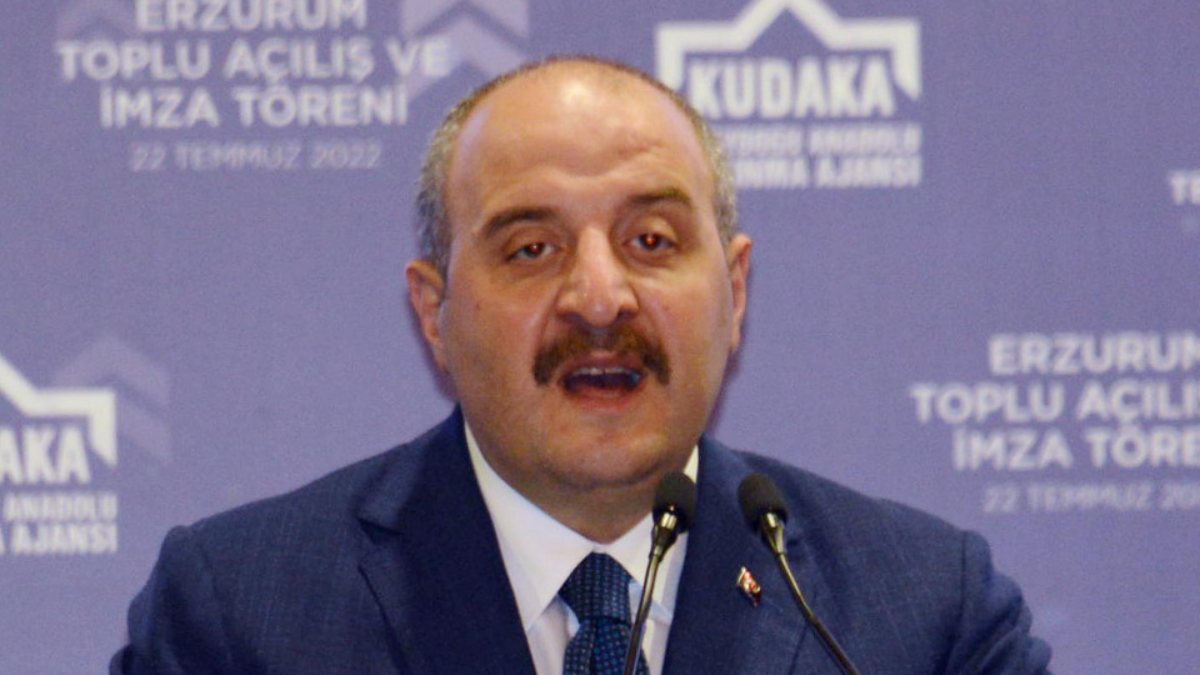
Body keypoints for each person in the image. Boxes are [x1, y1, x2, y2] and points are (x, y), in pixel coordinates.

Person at [111, 56, 1052, 674]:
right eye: (532, 249)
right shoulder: (242, 616)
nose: (600, 299)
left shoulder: (922, 612)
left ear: (734, 292)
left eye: (651, 240)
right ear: (435, 313)